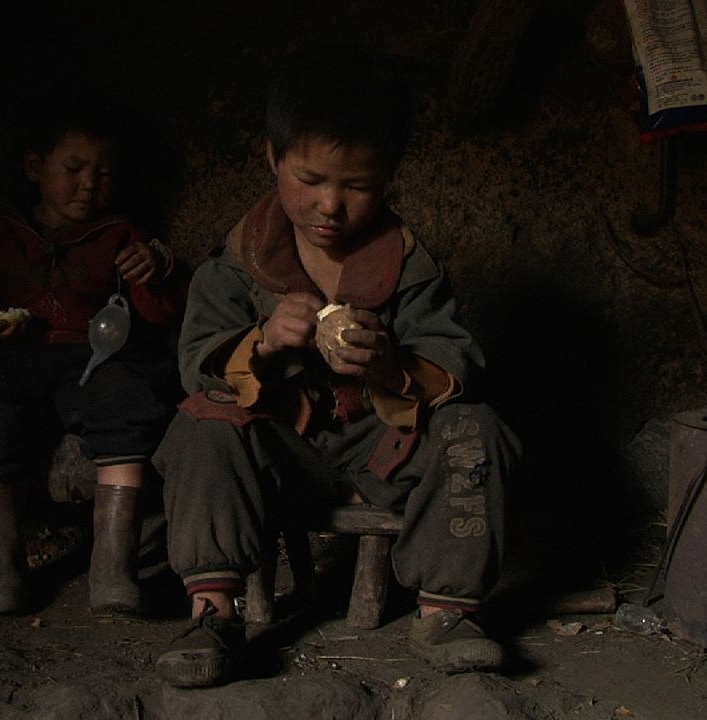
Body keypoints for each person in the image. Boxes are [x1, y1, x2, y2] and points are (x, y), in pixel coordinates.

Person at [150, 43, 521, 688]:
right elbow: (194, 363)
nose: (331, 205)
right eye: (311, 180)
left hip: (381, 449)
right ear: (272, 156)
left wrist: (391, 364)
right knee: (200, 421)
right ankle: (212, 611)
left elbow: (458, 356)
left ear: (391, 175)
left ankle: (447, 611)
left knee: (475, 428)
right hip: (276, 453)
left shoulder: (410, 265)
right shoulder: (236, 263)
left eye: (357, 186)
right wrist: (261, 341)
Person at [0, 95, 189, 617]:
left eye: (103, 173)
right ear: (35, 167)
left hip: (93, 359)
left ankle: (112, 566)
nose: (89, 184)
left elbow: (156, 313)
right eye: (73, 169)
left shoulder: (119, 234)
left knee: (127, 399)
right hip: (13, 359)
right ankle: (2, 565)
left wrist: (154, 269)